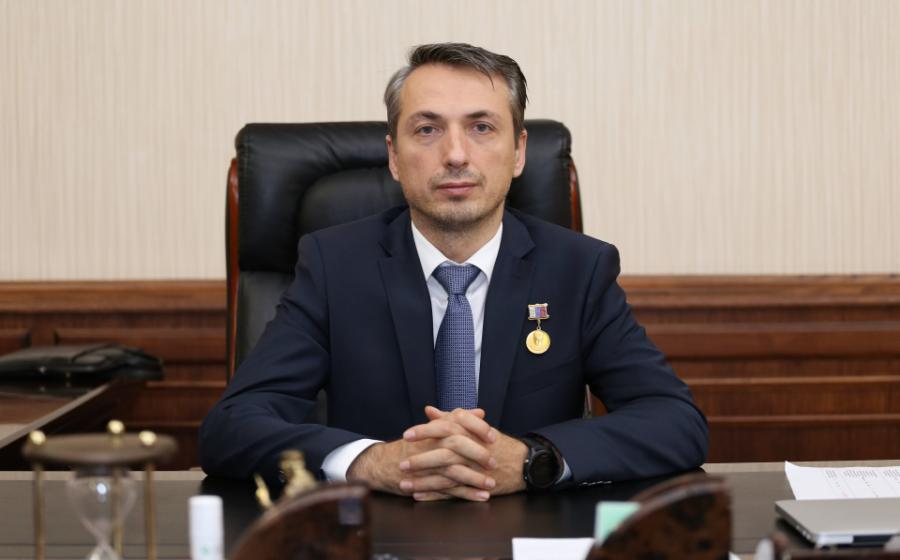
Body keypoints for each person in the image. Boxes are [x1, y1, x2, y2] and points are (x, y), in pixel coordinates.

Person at [199, 43, 708, 501]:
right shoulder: (335, 266)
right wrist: (369, 461)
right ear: (394, 156)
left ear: (519, 152)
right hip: (379, 535)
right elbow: (231, 427)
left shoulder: (578, 268)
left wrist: (533, 459)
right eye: (427, 130)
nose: (456, 155)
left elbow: (675, 422)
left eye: (481, 127)